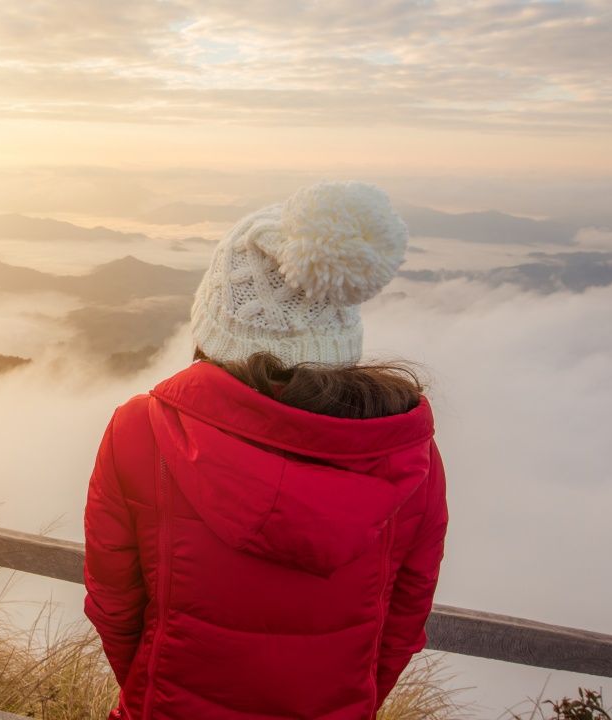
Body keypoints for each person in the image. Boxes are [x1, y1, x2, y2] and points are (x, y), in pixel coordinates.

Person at [82, 181, 448, 720]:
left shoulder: (143, 431)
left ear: (217, 319)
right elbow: (401, 626)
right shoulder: (407, 457)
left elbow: (114, 606)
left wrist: (152, 690)